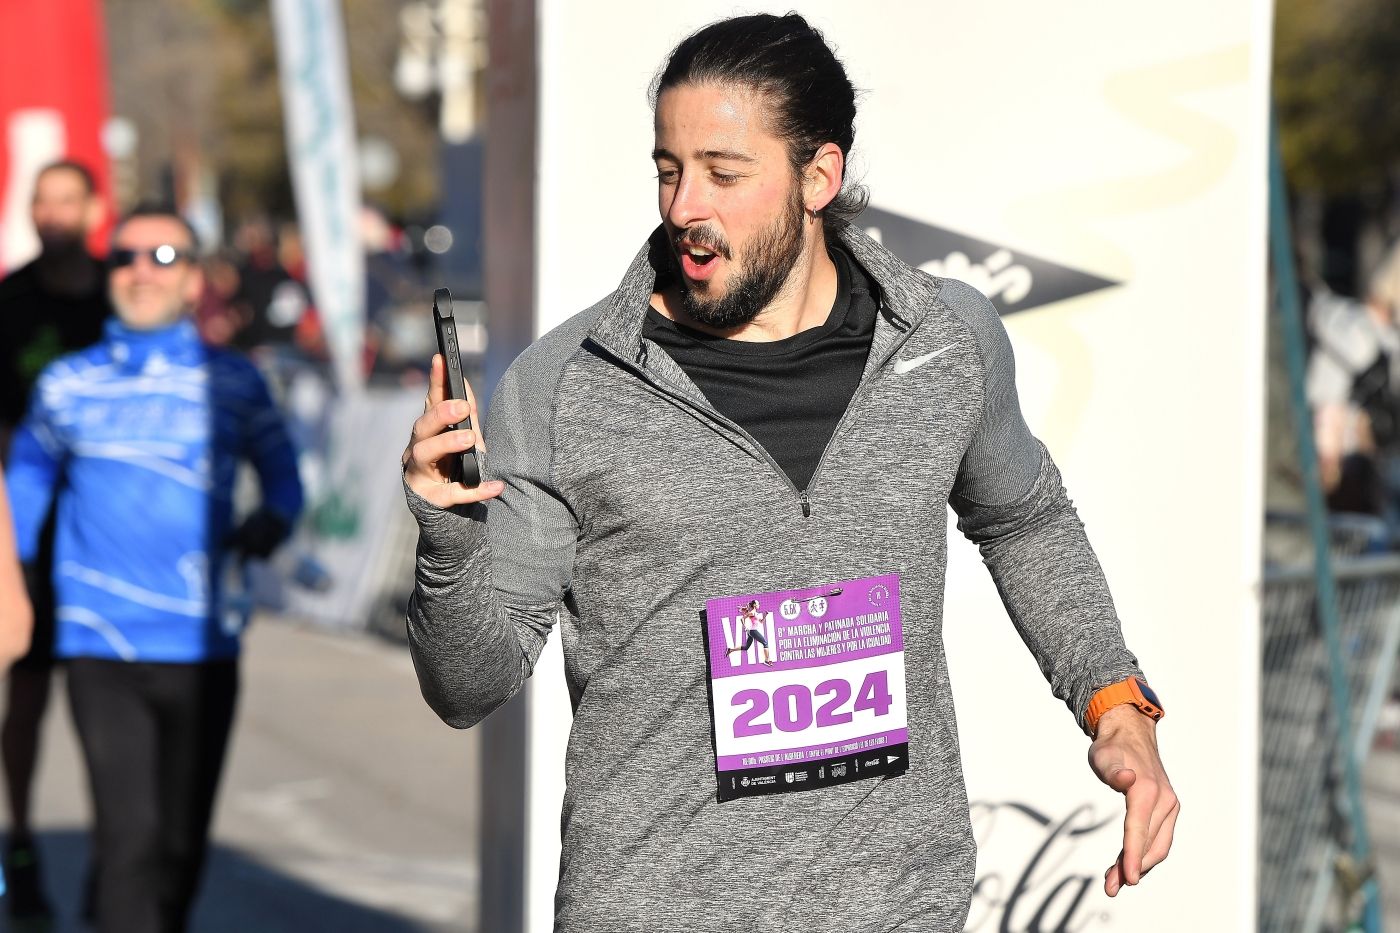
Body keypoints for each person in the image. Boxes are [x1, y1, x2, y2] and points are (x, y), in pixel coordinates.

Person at [401, 14, 1178, 930]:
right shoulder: (567, 383)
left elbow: (1024, 519)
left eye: (725, 174)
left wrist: (1116, 701)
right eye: (668, 169)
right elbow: (469, 685)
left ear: (820, 176)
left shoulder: (942, 339)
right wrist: (450, 539)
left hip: (897, 905)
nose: (686, 204)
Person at [5, 204, 304, 933]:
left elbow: (284, 477)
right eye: (125, 258)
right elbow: (24, 489)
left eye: (162, 258)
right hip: (99, 640)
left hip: (204, 645)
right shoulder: (66, 384)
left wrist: (268, 525)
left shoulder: (232, 381)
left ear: (195, 278)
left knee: (177, 849)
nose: (141, 272)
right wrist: (15, 580)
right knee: (128, 837)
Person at [0, 158, 112, 922]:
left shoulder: (120, 294)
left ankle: (118, 847)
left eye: (66, 201)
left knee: (103, 696)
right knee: (28, 692)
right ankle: (23, 834)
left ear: (92, 208)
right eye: (41, 202)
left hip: (106, 532)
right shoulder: (9, 302)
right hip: (30, 527)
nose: (52, 214)